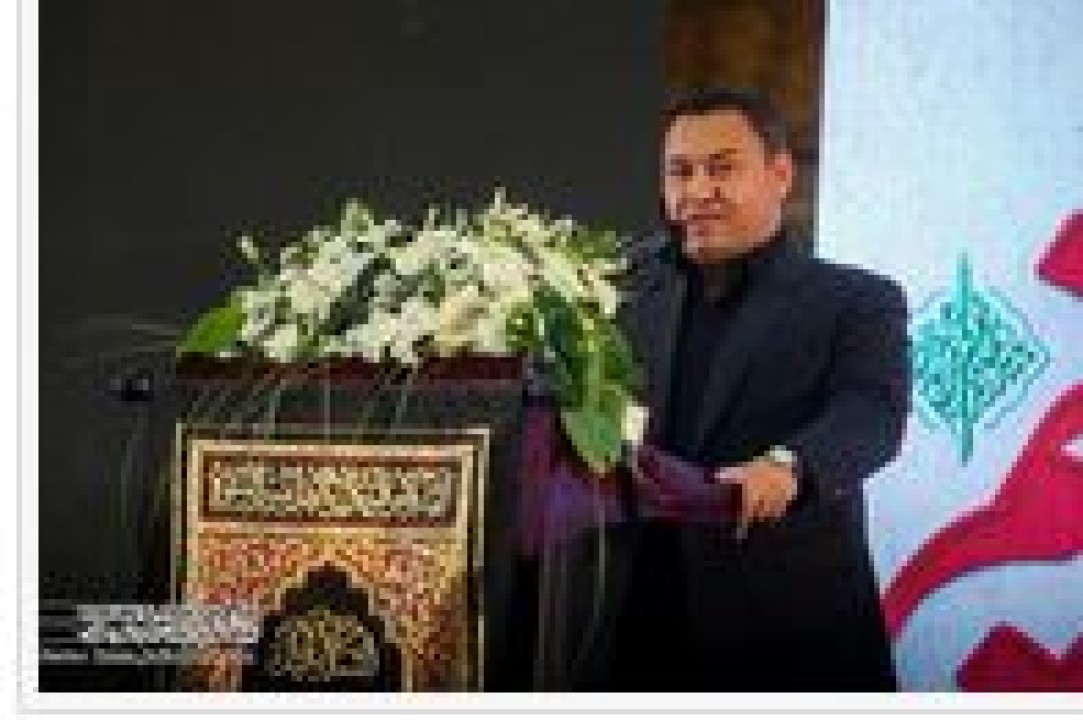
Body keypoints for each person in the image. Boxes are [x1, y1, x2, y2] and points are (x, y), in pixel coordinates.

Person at [571, 87, 911, 691]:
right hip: (634, 625)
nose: (698, 191)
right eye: (680, 172)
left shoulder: (857, 300)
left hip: (789, 628)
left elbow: (871, 415)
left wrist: (789, 465)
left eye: (722, 169)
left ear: (780, 174)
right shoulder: (619, 293)